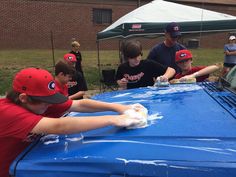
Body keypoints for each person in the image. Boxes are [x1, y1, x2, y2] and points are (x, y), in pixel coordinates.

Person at [0, 67, 144, 177]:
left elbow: (80, 104)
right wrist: (114, 120)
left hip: (29, 163)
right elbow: (59, 126)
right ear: (23, 98)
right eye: (45, 102)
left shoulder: (38, 103)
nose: (49, 105)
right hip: (10, 171)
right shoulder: (7, 112)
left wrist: (120, 108)